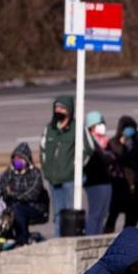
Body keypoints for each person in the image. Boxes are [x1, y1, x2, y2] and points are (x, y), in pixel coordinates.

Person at [40, 96, 90, 236]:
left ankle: (74, 239)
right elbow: (43, 149)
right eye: (56, 107)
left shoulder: (77, 128)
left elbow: (89, 148)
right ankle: (58, 242)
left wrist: (76, 168)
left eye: (62, 108)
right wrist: (47, 170)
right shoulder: (49, 128)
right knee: (57, 215)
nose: (58, 111)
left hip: (70, 179)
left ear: (69, 110)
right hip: (54, 179)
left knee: (72, 213)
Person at [0, 142, 46, 247]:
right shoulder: (9, 172)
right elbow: (1, 185)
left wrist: (15, 195)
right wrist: (1, 191)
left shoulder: (35, 173)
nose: (17, 162)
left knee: (17, 210)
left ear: (26, 160)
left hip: (33, 206)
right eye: (15, 159)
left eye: (20, 159)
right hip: (15, 205)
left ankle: (22, 238)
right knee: (1, 209)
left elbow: (33, 192)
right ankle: (5, 234)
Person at [107, 116, 138, 232]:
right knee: (113, 215)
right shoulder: (114, 143)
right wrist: (123, 146)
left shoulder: (137, 142)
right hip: (118, 185)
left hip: (133, 186)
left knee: (131, 218)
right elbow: (116, 160)